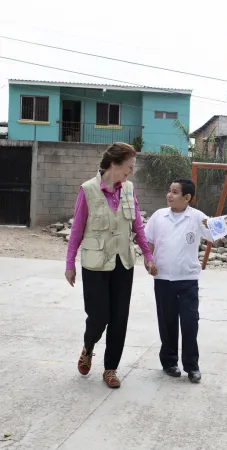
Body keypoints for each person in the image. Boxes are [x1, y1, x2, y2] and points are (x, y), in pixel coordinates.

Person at [65, 142, 156, 389]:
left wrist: (147, 255)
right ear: (114, 164)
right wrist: (69, 262)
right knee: (99, 316)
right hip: (95, 263)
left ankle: (110, 369)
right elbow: (77, 229)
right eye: (129, 166)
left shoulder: (129, 190)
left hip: (123, 262)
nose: (131, 172)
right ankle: (89, 346)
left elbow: (137, 225)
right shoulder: (88, 190)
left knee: (119, 318)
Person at [144, 178, 214, 383]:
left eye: (175, 192)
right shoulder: (159, 216)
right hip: (163, 279)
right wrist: (149, 262)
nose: (169, 195)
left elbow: (215, 236)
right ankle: (169, 362)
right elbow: (148, 242)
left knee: (190, 323)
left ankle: (192, 366)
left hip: (187, 280)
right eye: (169, 191)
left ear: (187, 198)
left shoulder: (197, 217)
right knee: (167, 323)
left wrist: (214, 225)